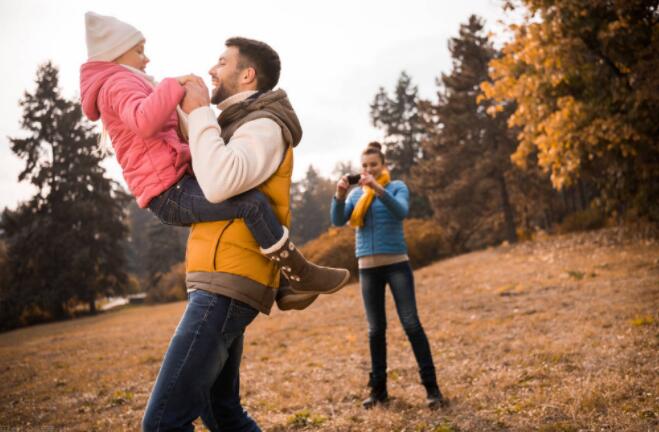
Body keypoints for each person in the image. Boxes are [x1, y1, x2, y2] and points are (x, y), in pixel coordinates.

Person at [79, 11, 349, 296]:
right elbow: (145, 122)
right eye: (139, 51)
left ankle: (283, 283)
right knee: (252, 204)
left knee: (248, 206)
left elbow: (166, 133)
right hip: (168, 191)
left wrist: (183, 106)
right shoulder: (117, 85)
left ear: (248, 74)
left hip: (175, 184)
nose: (146, 59)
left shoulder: (129, 84)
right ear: (116, 53)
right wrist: (172, 87)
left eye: (222, 62)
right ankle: (299, 273)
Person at [140, 36, 322, 431]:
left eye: (221, 62)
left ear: (247, 75)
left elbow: (220, 183)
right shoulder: (235, 123)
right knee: (222, 414)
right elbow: (203, 157)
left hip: (228, 284)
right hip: (220, 277)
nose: (211, 70)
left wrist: (200, 111)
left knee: (161, 423)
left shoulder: (264, 126)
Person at [330, 142, 447, 409]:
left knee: (411, 324)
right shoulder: (355, 196)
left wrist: (377, 188)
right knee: (375, 331)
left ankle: (432, 389)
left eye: (374, 165)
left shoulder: (396, 187)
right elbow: (338, 220)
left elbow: (401, 211)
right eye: (364, 166)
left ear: (383, 166)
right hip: (367, 268)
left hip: (397, 265)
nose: (368, 170)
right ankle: (379, 391)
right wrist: (339, 194)